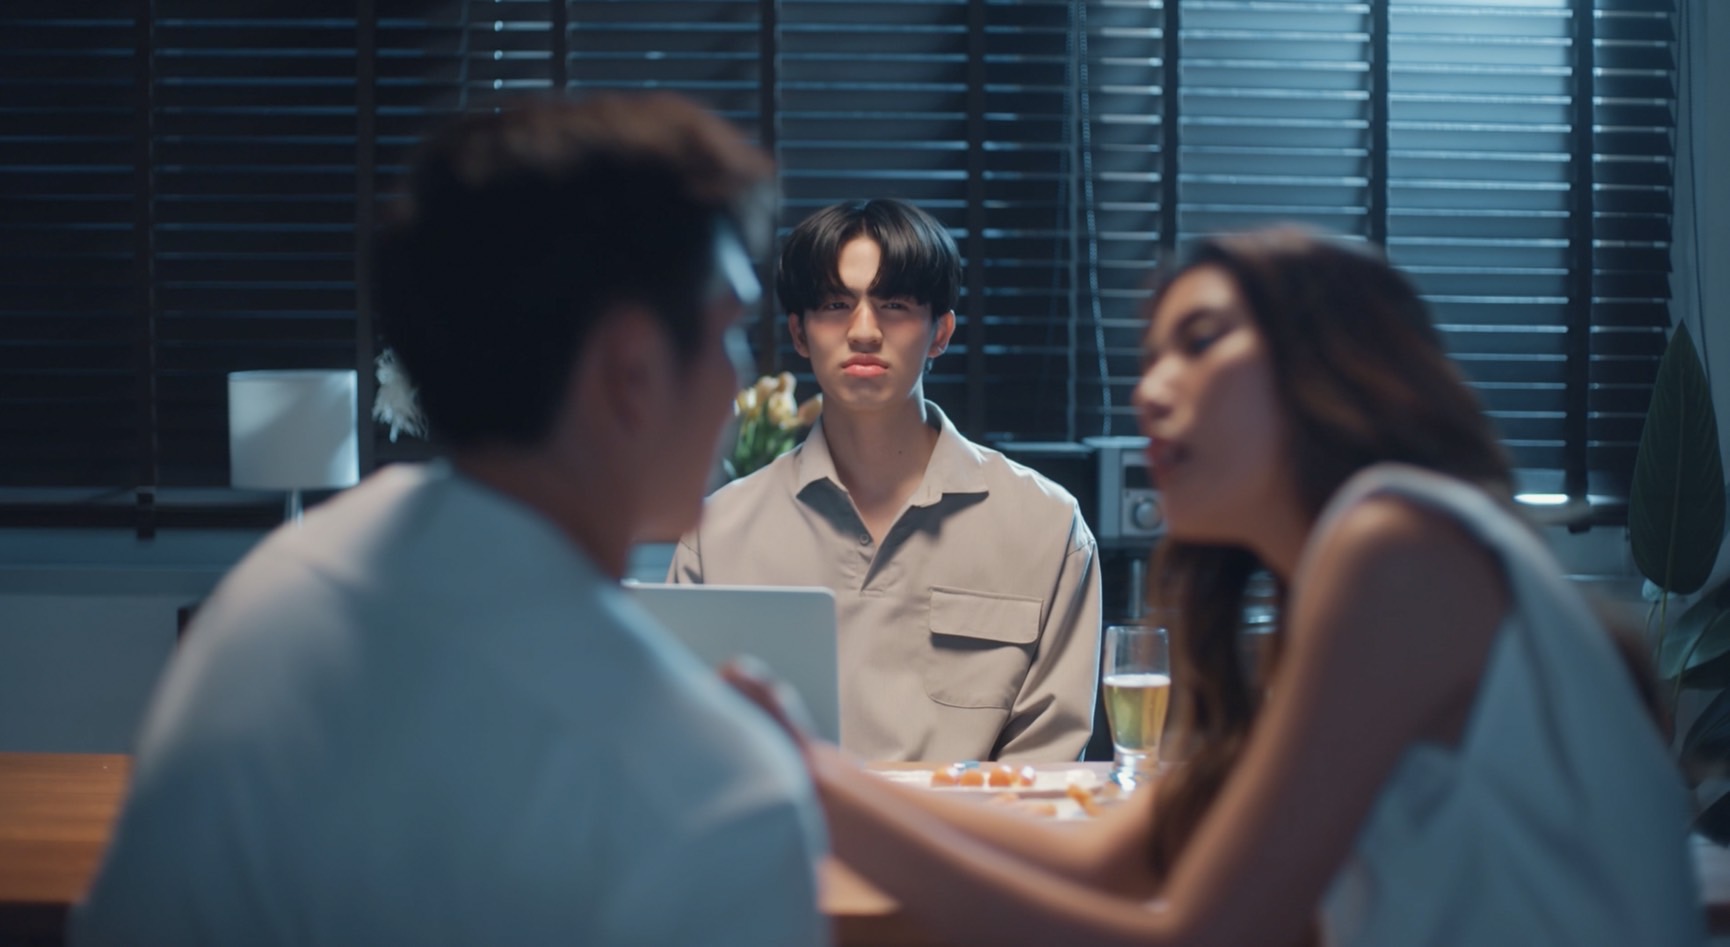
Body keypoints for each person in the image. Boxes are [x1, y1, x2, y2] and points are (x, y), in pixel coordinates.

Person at [725, 226, 1704, 946]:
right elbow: (1104, 859)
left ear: (1323, 362)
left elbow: (1193, 934)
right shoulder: (1366, 568)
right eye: (1150, 357)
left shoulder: (1396, 546)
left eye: (1199, 342)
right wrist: (817, 777)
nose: (1148, 390)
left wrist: (815, 784)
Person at [73, 94, 829, 947]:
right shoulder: (717, 801)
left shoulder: (268, 596)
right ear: (632, 373)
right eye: (730, 330)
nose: (741, 380)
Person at [668, 197, 1102, 763]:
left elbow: (1045, 774)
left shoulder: (1048, 527)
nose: (864, 331)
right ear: (799, 333)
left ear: (941, 332)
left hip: (977, 823)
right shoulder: (716, 535)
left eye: (894, 304)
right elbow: (684, 753)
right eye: (835, 305)